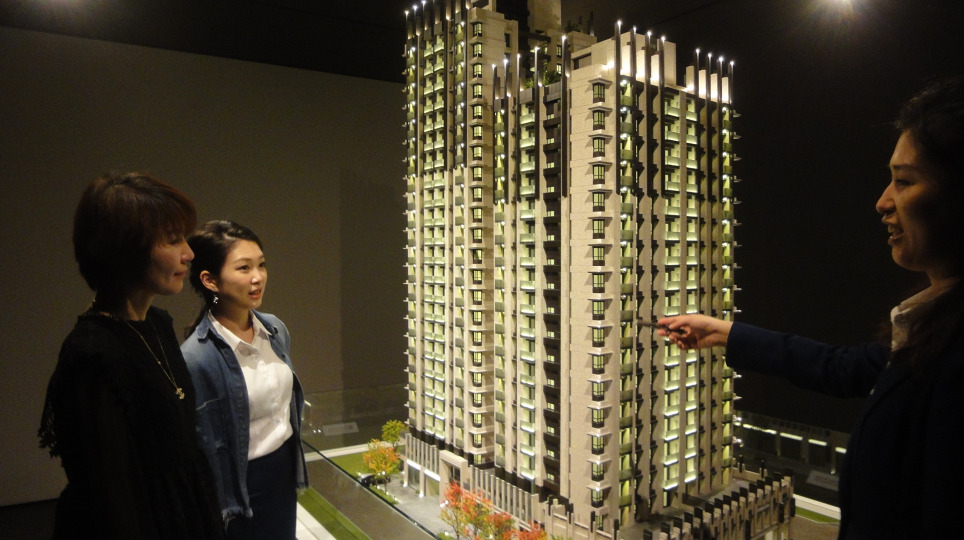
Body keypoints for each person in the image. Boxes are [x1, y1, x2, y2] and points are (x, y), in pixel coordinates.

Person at [658, 75, 964, 539]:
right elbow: (844, 368)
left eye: (904, 181)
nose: (882, 202)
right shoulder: (928, 327)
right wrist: (723, 332)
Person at [38, 172, 226, 540]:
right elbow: (110, 497)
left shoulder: (157, 324)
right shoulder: (93, 354)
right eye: (173, 240)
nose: (188, 253)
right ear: (126, 250)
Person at [181, 220, 307, 540]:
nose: (257, 277)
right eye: (243, 267)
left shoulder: (275, 329)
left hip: (283, 471)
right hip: (240, 486)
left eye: (261, 265)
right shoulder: (197, 357)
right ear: (210, 280)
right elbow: (201, 448)